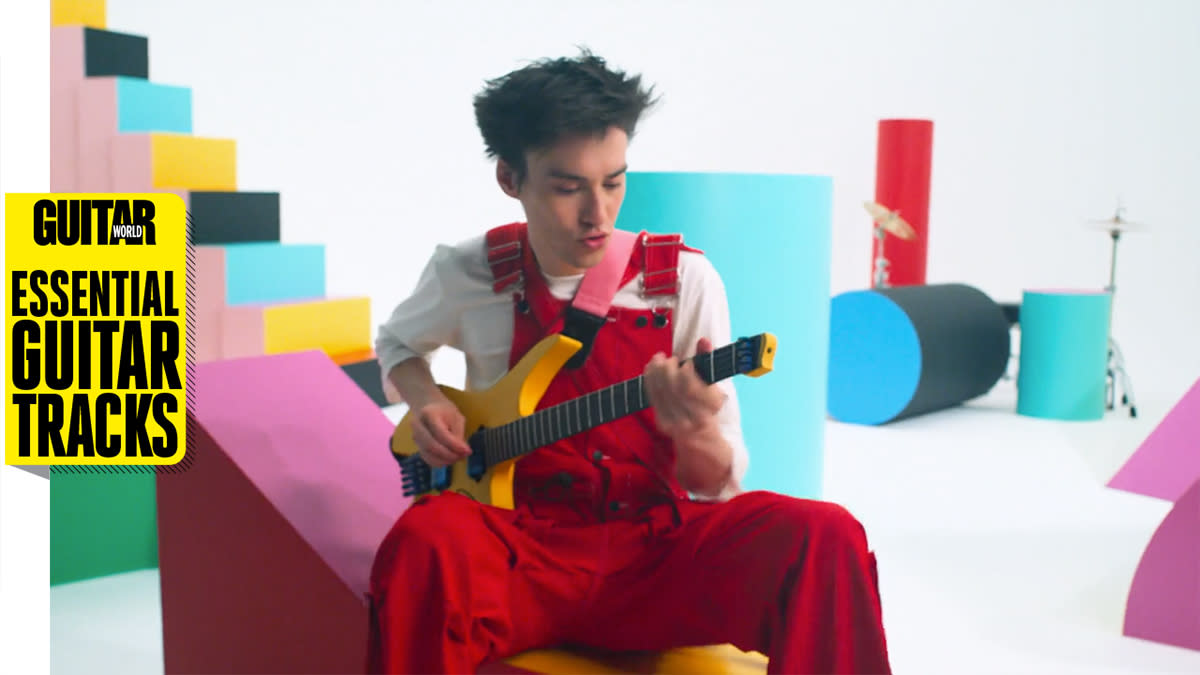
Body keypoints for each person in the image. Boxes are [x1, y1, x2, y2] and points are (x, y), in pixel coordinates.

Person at [367, 48, 891, 674]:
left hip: (654, 558)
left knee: (826, 536)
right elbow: (397, 343)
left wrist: (694, 432)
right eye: (568, 187)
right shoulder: (468, 270)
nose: (598, 214)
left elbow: (713, 482)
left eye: (614, 181)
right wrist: (425, 398)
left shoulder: (685, 280)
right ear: (511, 179)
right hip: (520, 552)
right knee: (425, 540)